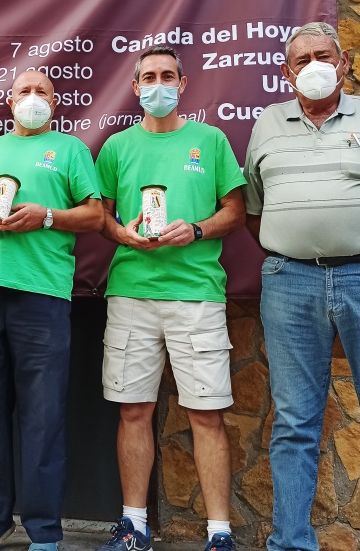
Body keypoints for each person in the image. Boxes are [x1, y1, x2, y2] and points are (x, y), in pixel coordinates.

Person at [242, 22, 360, 551]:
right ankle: (291, 543)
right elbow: (254, 212)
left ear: (344, 62)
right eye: (301, 60)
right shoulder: (267, 123)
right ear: (286, 73)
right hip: (290, 283)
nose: (314, 66)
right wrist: (297, 248)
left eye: (323, 56)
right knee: (293, 425)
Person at [94, 47, 246, 551]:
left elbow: (236, 210)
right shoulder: (116, 146)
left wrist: (197, 229)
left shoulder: (211, 139)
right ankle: (133, 525)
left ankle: (219, 533)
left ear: (182, 84)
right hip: (131, 293)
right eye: (148, 77)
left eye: (166, 76)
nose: (157, 85)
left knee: (206, 414)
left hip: (196, 294)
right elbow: (101, 216)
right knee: (133, 412)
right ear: (134, 87)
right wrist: (123, 234)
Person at [0, 70, 104, 551]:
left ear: (55, 102)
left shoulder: (71, 149)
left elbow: (95, 215)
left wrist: (46, 216)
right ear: (10, 100)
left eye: (42, 92)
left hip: (43, 294)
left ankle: (43, 530)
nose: (33, 98)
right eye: (25, 91)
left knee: (42, 415)